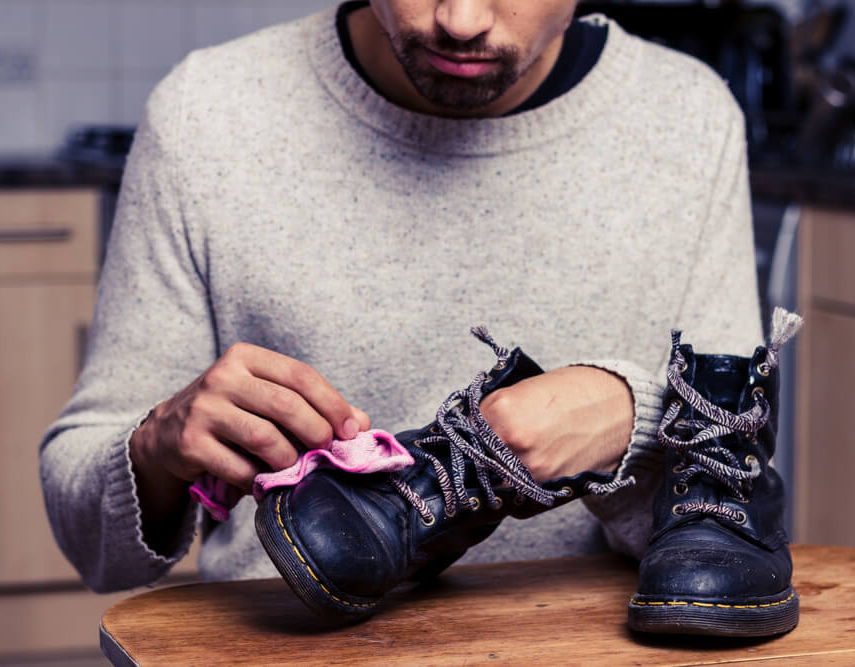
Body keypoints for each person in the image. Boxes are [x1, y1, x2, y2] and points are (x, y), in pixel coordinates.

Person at [40, 0, 762, 593]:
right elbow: (92, 548)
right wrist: (158, 448)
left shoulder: (688, 119)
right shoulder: (207, 115)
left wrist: (630, 414)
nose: (460, 18)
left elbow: (737, 503)